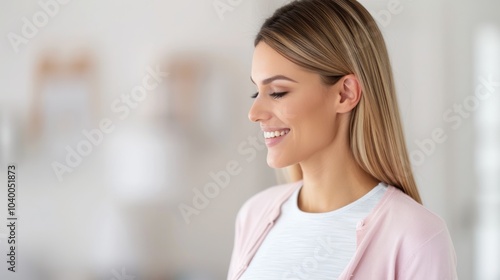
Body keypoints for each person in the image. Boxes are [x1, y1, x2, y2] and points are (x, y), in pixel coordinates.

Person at [227, 0, 458, 279]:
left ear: (345, 94)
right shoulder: (254, 215)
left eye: (277, 92)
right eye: (257, 92)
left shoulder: (416, 236)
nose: (254, 113)